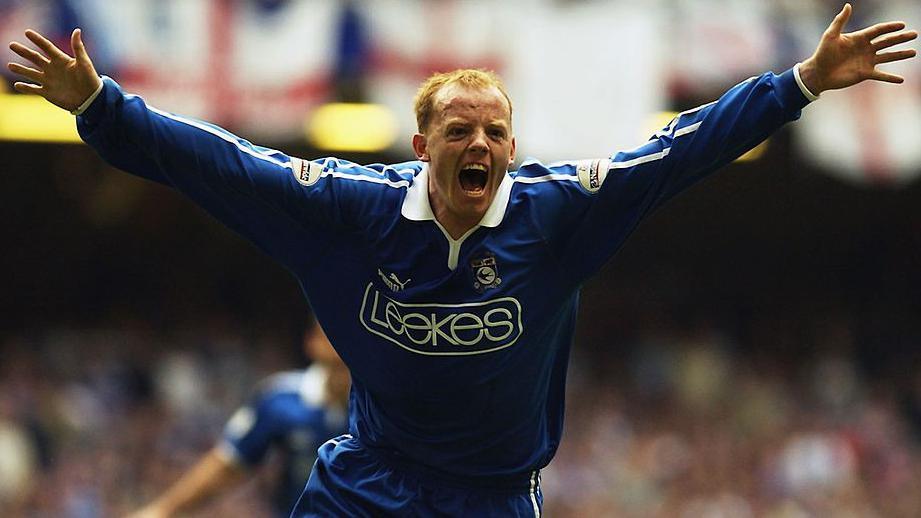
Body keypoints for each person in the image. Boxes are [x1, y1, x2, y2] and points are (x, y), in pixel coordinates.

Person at [7, 4, 917, 516]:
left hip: (489, 502)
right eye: (457, 129)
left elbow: (683, 149)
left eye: (493, 131)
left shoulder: (558, 212)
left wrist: (795, 85)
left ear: (512, 150)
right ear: (420, 144)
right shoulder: (346, 212)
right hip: (365, 484)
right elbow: (220, 166)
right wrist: (103, 107)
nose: (477, 142)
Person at [128, 320, 350, 518]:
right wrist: (163, 510)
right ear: (313, 341)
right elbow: (229, 463)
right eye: (331, 331)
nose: (342, 343)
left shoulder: (382, 403)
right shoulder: (282, 399)